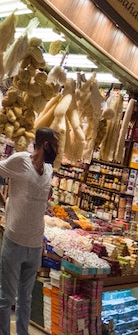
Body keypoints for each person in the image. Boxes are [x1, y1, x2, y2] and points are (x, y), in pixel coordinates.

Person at [0, 127, 59, 335]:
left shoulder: (50, 170)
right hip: (14, 240)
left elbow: (41, 196)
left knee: (25, 299)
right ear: (45, 145)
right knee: (6, 299)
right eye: (55, 145)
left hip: (35, 246)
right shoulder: (20, 161)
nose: (57, 150)